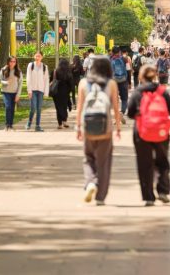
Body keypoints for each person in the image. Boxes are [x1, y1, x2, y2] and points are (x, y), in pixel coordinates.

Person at [127, 64, 170, 206]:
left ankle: (149, 197)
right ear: (155, 75)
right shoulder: (162, 92)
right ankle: (162, 190)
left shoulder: (138, 92)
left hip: (142, 131)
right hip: (162, 131)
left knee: (145, 164)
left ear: (141, 76)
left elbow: (130, 113)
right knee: (162, 162)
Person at [76, 55, 121, 206]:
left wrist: (78, 128)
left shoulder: (83, 83)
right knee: (104, 162)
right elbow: (116, 108)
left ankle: (90, 183)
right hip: (105, 128)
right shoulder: (111, 84)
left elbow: (80, 108)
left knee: (89, 158)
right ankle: (100, 196)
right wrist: (118, 128)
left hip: (88, 127)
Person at [26, 51, 49, 131]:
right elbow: (28, 78)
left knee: (39, 108)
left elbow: (46, 79)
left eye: (39, 56)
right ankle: (29, 123)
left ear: (42, 57)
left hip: (41, 90)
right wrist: (29, 90)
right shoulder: (31, 65)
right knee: (33, 107)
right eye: (36, 56)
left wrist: (46, 92)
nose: (37, 57)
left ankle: (37, 125)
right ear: (34, 56)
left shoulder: (45, 67)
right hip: (33, 90)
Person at [0, 56, 22, 130]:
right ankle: (7, 124)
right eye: (11, 61)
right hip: (5, 92)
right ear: (8, 62)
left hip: (14, 92)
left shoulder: (18, 71)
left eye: (14, 61)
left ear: (16, 62)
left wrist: (18, 95)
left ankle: (10, 124)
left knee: (12, 109)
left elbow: (20, 84)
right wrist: (6, 82)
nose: (12, 63)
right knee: (8, 107)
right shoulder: (3, 69)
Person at [52, 58, 74, 129]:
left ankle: (60, 124)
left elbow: (51, 80)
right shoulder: (69, 72)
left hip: (56, 92)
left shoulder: (55, 71)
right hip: (65, 92)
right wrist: (70, 91)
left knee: (58, 108)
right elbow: (71, 84)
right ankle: (64, 120)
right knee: (64, 107)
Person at [110, 46, 129, 116]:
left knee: (114, 97)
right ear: (119, 52)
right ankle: (122, 112)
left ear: (112, 52)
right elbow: (128, 70)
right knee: (124, 98)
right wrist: (129, 82)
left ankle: (116, 112)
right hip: (123, 80)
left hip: (113, 81)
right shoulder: (124, 59)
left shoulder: (110, 59)